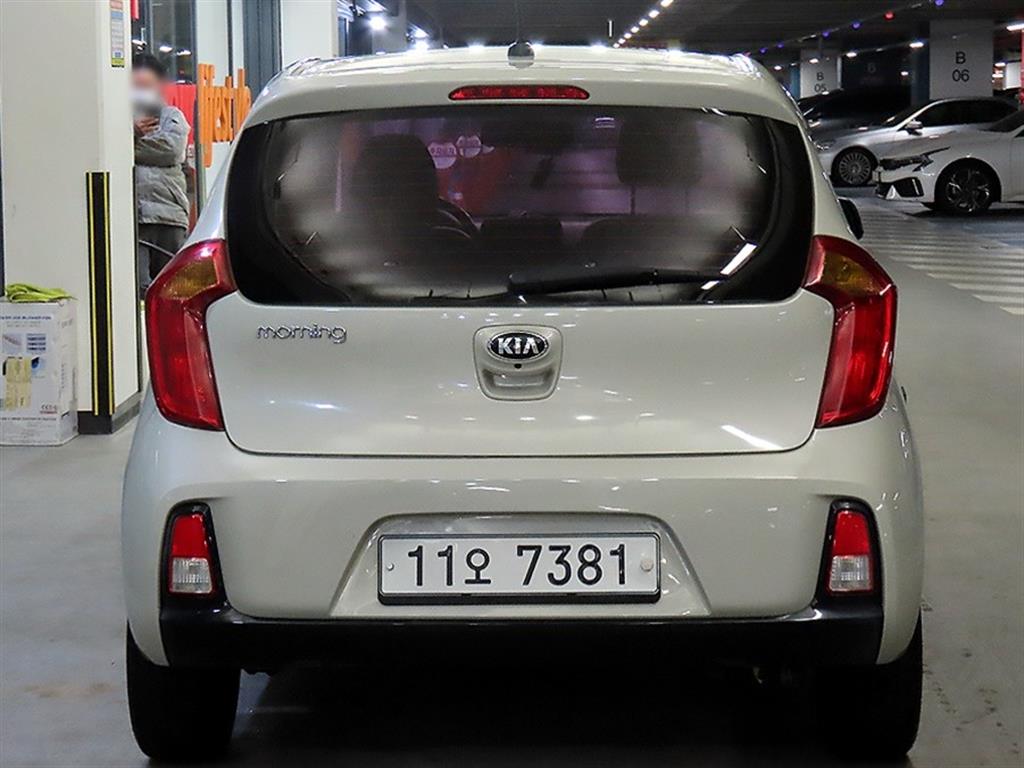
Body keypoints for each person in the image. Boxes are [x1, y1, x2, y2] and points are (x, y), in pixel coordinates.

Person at [132, 53, 189, 293]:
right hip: (136, 219)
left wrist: (130, 145)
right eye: (136, 86)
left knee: (173, 289)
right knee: (140, 289)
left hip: (170, 215)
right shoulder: (117, 121)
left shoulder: (172, 116)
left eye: (147, 86)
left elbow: (171, 150)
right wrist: (132, 133)